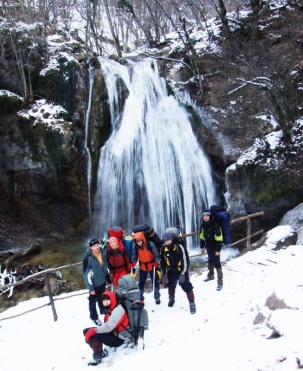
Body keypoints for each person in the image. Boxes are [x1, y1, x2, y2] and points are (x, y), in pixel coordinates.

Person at [83, 291, 132, 366]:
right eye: (103, 300)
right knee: (86, 331)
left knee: (97, 336)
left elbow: (108, 327)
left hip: (120, 338)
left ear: (112, 299)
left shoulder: (118, 310)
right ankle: (99, 350)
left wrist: (94, 330)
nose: (105, 302)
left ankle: (97, 357)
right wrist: (91, 331)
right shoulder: (110, 309)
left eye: (107, 300)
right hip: (113, 332)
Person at [160, 232, 196, 314]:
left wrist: (183, 273)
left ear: (171, 239)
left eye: (168, 240)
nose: (167, 242)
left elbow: (186, 260)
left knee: (187, 286)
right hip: (171, 270)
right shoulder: (163, 249)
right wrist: (164, 273)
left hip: (181, 269)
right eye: (165, 240)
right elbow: (162, 261)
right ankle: (171, 299)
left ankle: (192, 303)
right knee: (171, 285)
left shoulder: (179, 247)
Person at [83, 238, 109, 326]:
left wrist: (108, 277)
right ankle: (94, 317)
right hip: (94, 284)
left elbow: (105, 267)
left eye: (97, 245)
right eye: (94, 246)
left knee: (102, 298)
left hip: (102, 281)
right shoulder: (88, 258)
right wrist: (91, 288)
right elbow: (86, 275)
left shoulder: (103, 253)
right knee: (92, 302)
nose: (97, 247)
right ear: (91, 248)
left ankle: (103, 310)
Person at [130, 231, 161, 304]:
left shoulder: (150, 244)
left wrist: (156, 261)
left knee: (155, 282)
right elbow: (135, 257)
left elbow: (156, 254)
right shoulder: (136, 247)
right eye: (136, 241)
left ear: (142, 239)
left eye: (139, 240)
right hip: (143, 266)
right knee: (141, 283)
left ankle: (157, 296)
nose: (138, 242)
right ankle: (140, 297)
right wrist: (132, 264)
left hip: (152, 265)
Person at [200, 209, 224, 291]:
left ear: (210, 216)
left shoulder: (215, 225)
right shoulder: (203, 225)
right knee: (210, 260)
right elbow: (202, 237)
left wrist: (218, 250)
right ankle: (211, 274)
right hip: (208, 246)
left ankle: (220, 282)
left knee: (217, 263)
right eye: (204, 216)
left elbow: (219, 238)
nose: (205, 217)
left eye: (207, 216)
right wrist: (202, 247)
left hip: (215, 245)